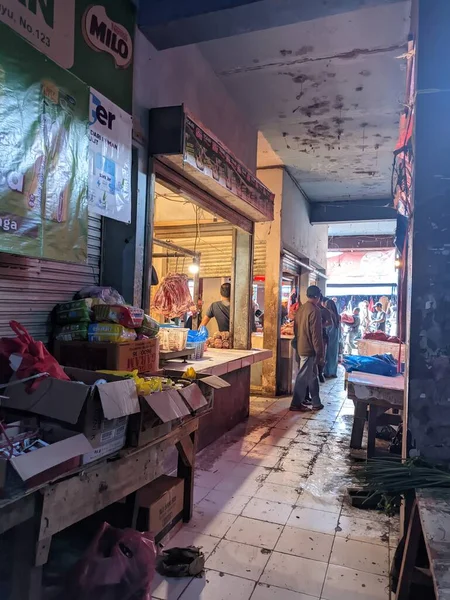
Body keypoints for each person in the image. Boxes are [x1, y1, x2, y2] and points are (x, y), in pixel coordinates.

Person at [290, 285, 324, 412]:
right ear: (317, 297)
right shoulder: (315, 310)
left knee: (312, 375)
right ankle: (295, 403)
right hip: (309, 348)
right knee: (303, 376)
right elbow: (316, 334)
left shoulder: (301, 308)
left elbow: (295, 329)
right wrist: (319, 352)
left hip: (301, 345)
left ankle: (316, 402)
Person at [324, 298, 340, 378]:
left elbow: (328, 327)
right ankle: (333, 372)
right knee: (334, 355)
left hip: (329, 336)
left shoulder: (328, 314)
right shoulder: (337, 315)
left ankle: (327, 372)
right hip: (336, 337)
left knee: (328, 355)